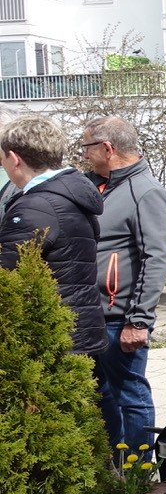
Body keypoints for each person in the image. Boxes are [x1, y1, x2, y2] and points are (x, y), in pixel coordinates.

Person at [80, 116, 166, 450]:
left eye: (86, 147)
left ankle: (137, 473)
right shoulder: (94, 185)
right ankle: (112, 465)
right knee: (99, 393)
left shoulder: (145, 191)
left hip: (120, 319)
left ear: (107, 148)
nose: (84, 154)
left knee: (130, 396)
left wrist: (138, 320)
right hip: (90, 314)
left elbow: (155, 259)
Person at [0, 115, 106, 356]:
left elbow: (7, 274)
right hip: (79, 327)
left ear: (15, 159)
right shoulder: (69, 192)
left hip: (50, 334)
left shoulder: (35, 206)